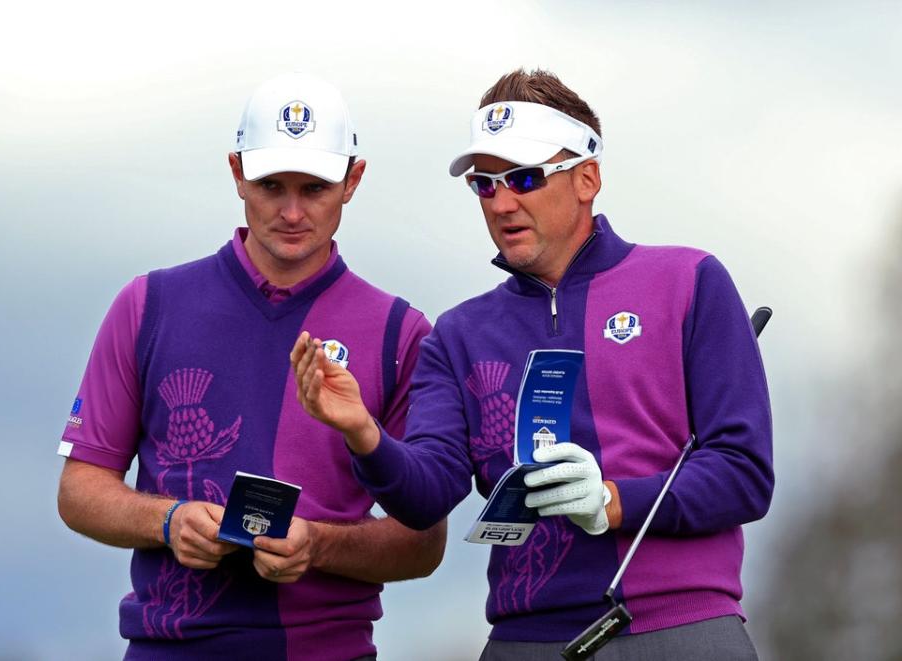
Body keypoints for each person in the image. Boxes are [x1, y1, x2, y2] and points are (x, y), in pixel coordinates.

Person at [292, 69, 773, 660]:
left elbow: (744, 473)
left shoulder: (688, 281)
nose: (503, 202)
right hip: (527, 640)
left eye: (523, 177)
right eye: (484, 185)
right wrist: (363, 432)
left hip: (683, 630)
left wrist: (612, 501)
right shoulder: (459, 333)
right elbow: (425, 497)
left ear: (587, 177)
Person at [56, 72, 445, 661]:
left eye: (314, 187)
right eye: (270, 185)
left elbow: (423, 543)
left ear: (353, 180)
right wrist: (168, 520)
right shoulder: (148, 304)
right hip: (170, 647)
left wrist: (316, 544)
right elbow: (80, 489)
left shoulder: (401, 331)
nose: (291, 212)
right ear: (236, 171)